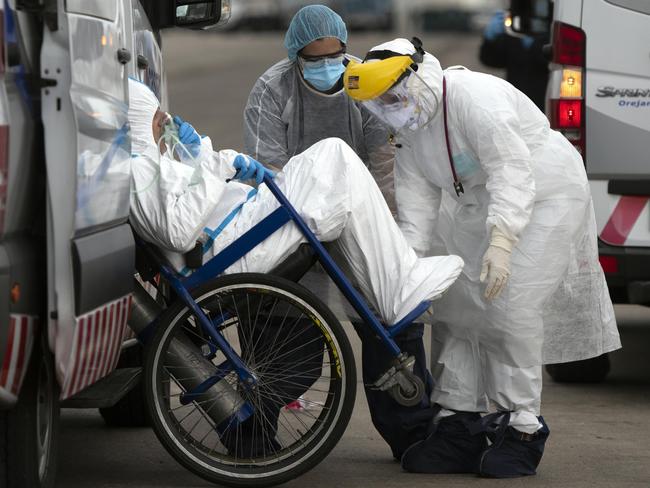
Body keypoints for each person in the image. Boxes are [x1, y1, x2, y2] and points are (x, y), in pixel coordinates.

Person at [343, 38, 621, 478]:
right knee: (457, 306)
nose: (391, 110)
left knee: (510, 309)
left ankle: (523, 426)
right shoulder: (413, 129)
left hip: (545, 192)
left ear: (417, 79)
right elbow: (417, 213)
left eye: (393, 98)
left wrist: (503, 242)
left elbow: (512, 168)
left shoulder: (475, 99)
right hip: (476, 202)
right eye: (381, 104)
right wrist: (406, 272)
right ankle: (459, 424)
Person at [127, 76, 463, 341]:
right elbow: (177, 232)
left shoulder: (147, 164)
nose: (166, 122)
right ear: (139, 123)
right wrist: (217, 168)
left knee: (329, 168)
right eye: (159, 119)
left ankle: (395, 286)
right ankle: (396, 287)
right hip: (229, 251)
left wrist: (199, 154)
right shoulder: (137, 171)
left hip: (235, 231)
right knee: (336, 160)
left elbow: (190, 197)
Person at [243, 5, 437, 460]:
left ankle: (412, 434)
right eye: (315, 58)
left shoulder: (362, 84)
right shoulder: (273, 90)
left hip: (360, 213)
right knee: (283, 328)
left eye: (336, 54)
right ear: (296, 55)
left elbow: (385, 163)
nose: (328, 65)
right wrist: (307, 221)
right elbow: (268, 167)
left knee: (389, 321)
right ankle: (249, 430)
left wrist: (388, 230)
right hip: (295, 218)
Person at [479, 10, 550, 110]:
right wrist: (489, 39)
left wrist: (534, 43)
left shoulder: (552, 31)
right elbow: (490, 60)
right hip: (515, 103)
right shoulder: (513, 32)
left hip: (544, 105)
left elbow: (549, 61)